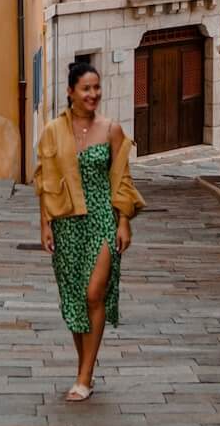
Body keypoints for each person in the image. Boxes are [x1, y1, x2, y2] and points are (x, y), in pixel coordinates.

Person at [34, 60, 145, 402]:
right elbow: (44, 180)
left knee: (94, 293)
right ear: (71, 92)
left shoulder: (111, 129)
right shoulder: (53, 131)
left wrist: (123, 220)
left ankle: (85, 375)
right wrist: (45, 224)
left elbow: (122, 178)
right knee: (76, 299)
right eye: (86, 88)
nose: (93, 94)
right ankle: (85, 368)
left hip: (102, 219)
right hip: (67, 222)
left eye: (96, 87)